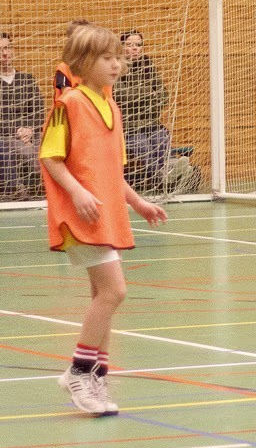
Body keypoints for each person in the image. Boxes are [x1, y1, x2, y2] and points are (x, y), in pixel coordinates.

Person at [38, 23, 168, 416]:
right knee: (115, 291)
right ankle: (79, 371)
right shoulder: (69, 104)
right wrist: (78, 192)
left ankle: (97, 373)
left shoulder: (112, 106)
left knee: (103, 297)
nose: (116, 64)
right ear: (82, 62)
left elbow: (112, 170)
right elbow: (51, 158)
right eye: (107, 58)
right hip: (80, 215)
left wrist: (138, 203)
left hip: (107, 214)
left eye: (118, 57)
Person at [113, 30, 172, 193]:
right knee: (143, 145)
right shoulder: (116, 66)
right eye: (130, 45)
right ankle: (165, 178)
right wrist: (148, 92)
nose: (134, 48)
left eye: (138, 45)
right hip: (129, 126)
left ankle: (165, 174)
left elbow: (163, 94)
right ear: (122, 47)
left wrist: (144, 98)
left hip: (151, 122)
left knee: (162, 138)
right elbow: (119, 95)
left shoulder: (147, 65)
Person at [0, 32, 45, 200]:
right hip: (6, 136)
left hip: (31, 133)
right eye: (0, 50)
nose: (5, 53)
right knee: (23, 149)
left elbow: (38, 110)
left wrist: (30, 129)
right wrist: (18, 132)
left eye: (7, 48)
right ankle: (23, 191)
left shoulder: (27, 79)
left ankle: (41, 189)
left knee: (43, 146)